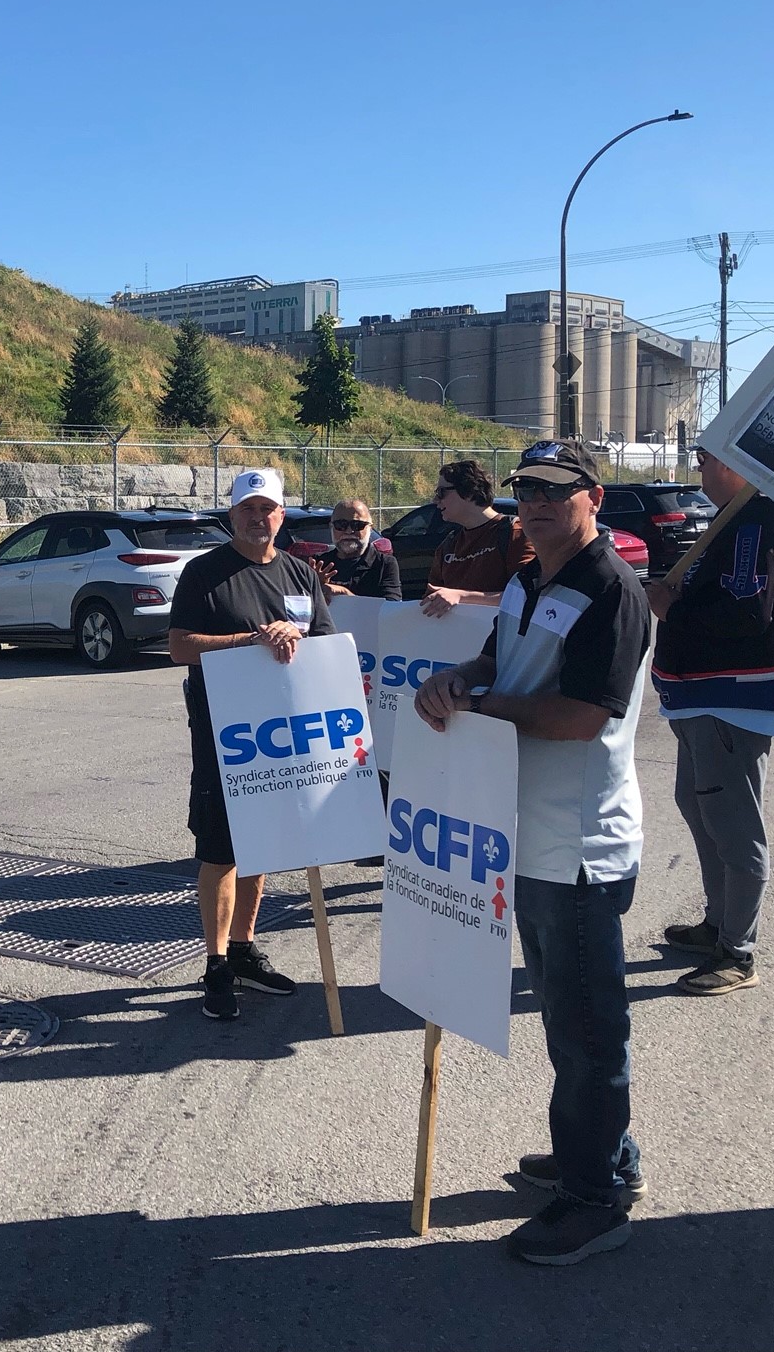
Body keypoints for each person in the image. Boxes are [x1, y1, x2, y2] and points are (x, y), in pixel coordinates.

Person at [416, 439, 651, 1266]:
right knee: (566, 1017)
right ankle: (605, 1157)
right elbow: (503, 659)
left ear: (594, 497)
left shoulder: (610, 590)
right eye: (527, 488)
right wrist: (463, 676)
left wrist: (480, 701)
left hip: (579, 846)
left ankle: (595, 1201)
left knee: (589, 1033)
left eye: (559, 489)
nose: (540, 502)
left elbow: (582, 716)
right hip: (527, 833)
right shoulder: (527, 576)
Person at [167, 468, 326, 1021]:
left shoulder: (301, 574)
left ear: (283, 515)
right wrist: (253, 640)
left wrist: (298, 636)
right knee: (220, 850)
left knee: (260, 844)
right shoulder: (205, 574)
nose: (259, 519)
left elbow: (327, 645)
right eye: (248, 510)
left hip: (280, 738)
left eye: (269, 510)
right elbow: (181, 647)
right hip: (223, 736)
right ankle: (214, 965)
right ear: (232, 515)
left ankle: (242, 950)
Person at [647, 446, 774, 995]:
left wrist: (673, 609)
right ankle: (719, 923)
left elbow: (745, 614)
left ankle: (738, 953)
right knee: (701, 811)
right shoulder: (737, 521)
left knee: (736, 831)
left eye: (706, 460)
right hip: (702, 699)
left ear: (741, 466)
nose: (699, 470)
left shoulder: (754, 525)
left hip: (729, 701)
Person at [419, 459, 534, 615]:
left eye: (441, 493)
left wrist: (461, 596)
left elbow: (526, 597)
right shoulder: (448, 545)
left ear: (468, 492)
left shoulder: (515, 533)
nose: (436, 500)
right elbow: (430, 599)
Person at [310, 498, 402, 600]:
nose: (349, 531)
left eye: (357, 525)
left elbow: (391, 607)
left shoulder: (383, 564)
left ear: (370, 528)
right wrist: (314, 587)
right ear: (331, 527)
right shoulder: (319, 564)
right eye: (341, 525)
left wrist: (344, 593)